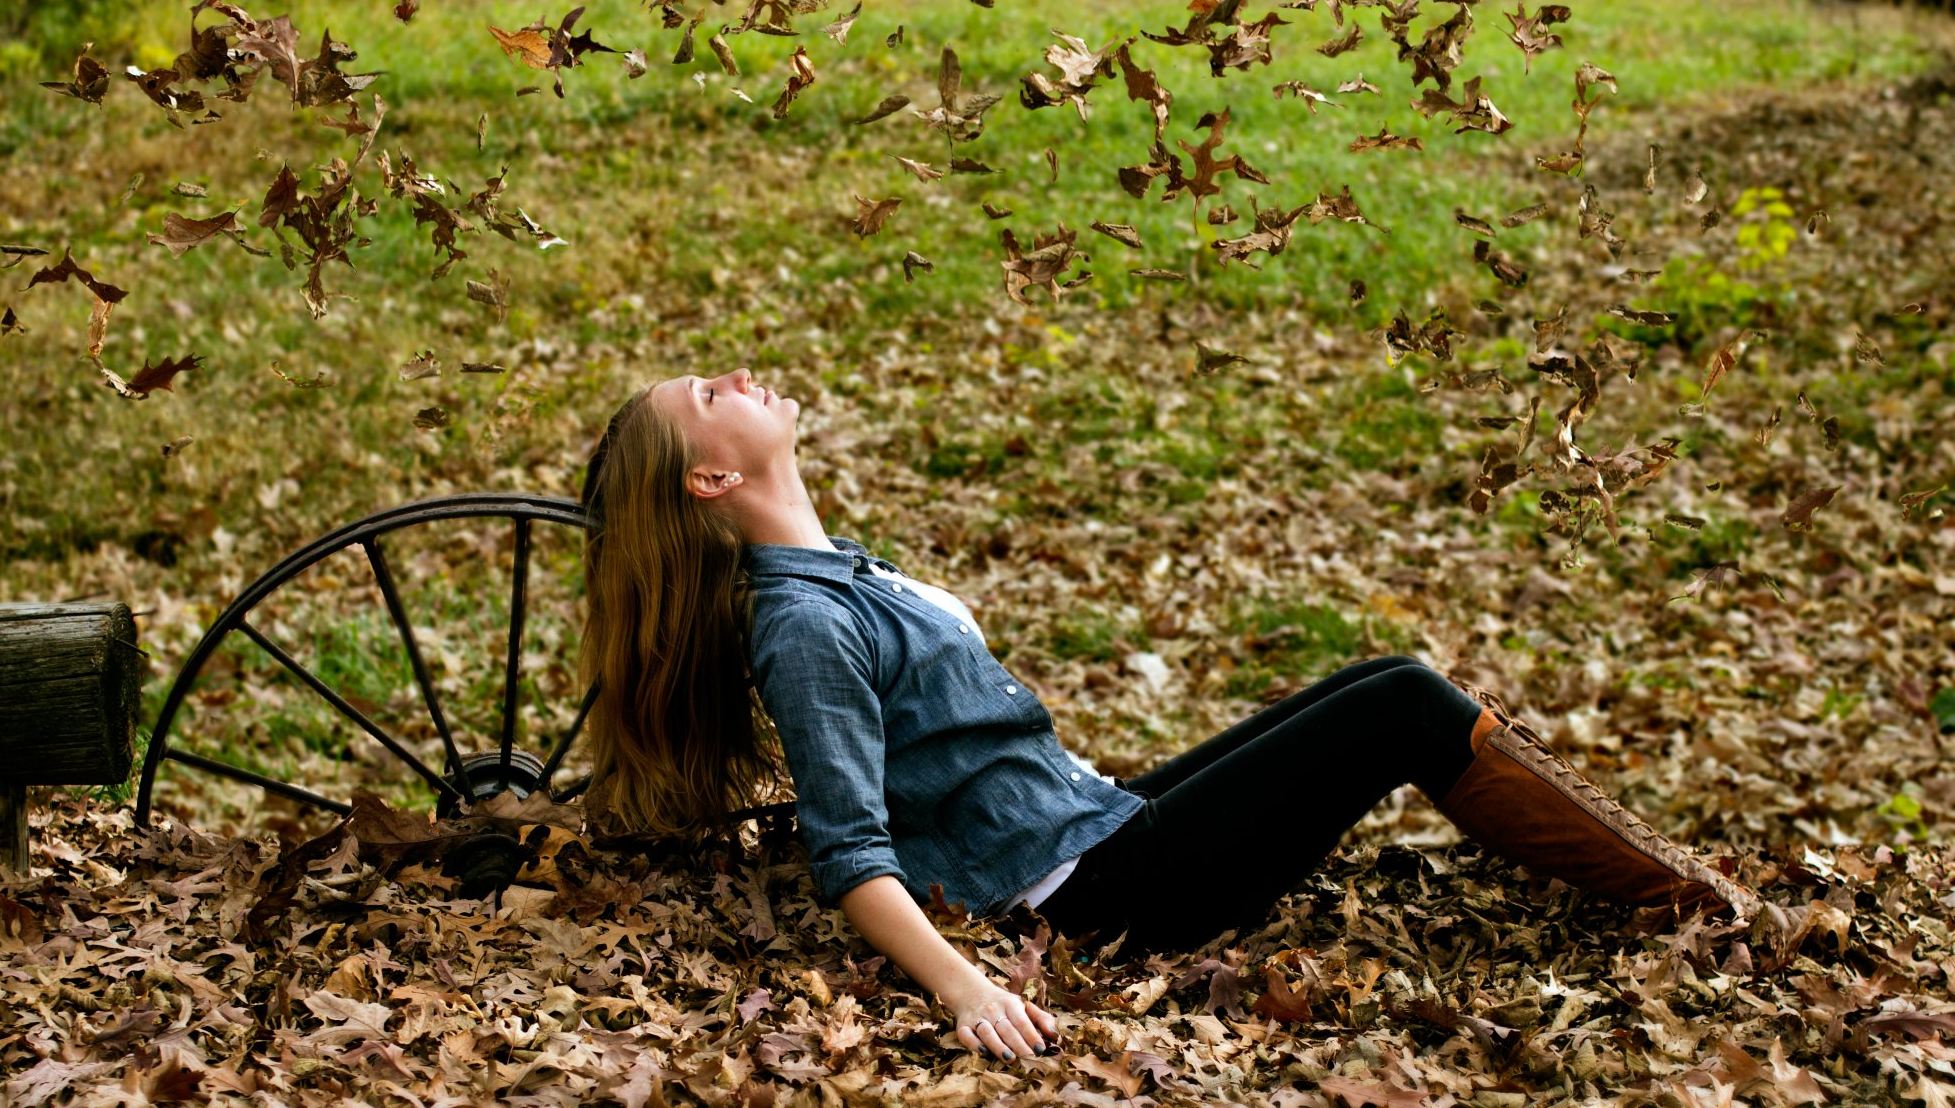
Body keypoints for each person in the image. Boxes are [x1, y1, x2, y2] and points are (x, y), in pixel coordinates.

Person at [578, 368, 1761, 1065]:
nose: (733, 376)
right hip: (1096, 895)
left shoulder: (838, 574)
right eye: (705, 395)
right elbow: (849, 848)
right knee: (1402, 703)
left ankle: (1673, 883)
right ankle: (1700, 908)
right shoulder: (804, 626)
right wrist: (964, 989)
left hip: (1091, 821)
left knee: (1372, 680)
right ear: (711, 480)